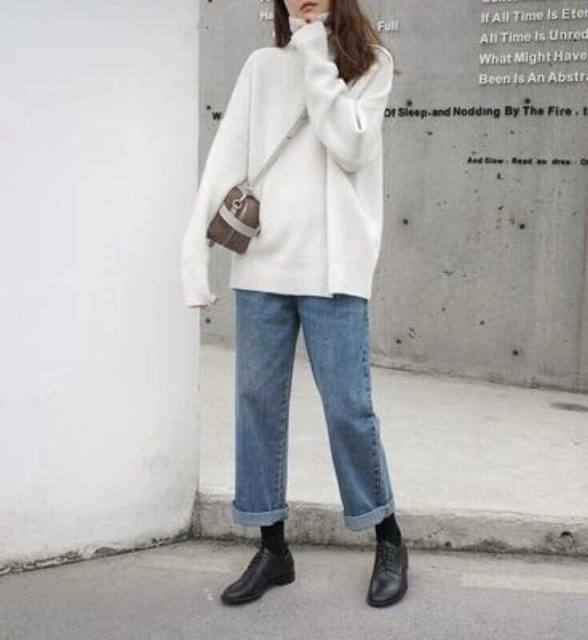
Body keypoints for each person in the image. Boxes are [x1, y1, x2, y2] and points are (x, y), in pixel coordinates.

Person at [180, 0, 408, 607]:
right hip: (262, 266)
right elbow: (225, 160)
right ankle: (272, 549)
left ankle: (388, 537)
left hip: (334, 272)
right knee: (257, 408)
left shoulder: (370, 64)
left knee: (349, 411)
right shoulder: (261, 66)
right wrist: (194, 255)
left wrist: (315, 56)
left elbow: (351, 146)